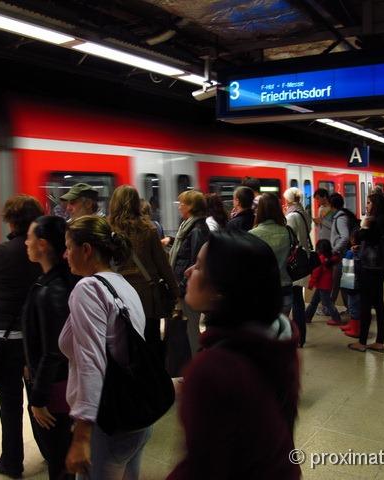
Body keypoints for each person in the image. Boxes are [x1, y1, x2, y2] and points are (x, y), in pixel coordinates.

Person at [167, 231, 301, 480]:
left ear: (220, 290)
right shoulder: (278, 335)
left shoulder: (213, 369)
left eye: (198, 267)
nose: (188, 272)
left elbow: (202, 466)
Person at [59, 215, 151, 479]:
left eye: (68, 247)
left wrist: (81, 436)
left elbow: (91, 361)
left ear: (86, 250)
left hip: (108, 422)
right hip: (136, 415)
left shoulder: (87, 289)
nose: (65, 255)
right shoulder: (122, 284)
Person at [0, 194, 44, 478]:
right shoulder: (44, 253)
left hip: (5, 341)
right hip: (37, 341)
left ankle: (12, 461)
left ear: (9, 220)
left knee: (10, 405)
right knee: (39, 400)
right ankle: (49, 450)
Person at [23, 216, 79, 480]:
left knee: (59, 458)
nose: (26, 243)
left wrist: (38, 398)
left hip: (55, 392)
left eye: (30, 237)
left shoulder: (51, 289)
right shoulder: (59, 281)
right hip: (62, 386)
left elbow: (54, 350)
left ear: (43, 244)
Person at [109, 185, 179, 361]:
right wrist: (175, 292)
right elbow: (163, 265)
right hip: (147, 296)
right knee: (150, 345)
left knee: (123, 345)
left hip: (117, 296)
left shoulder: (106, 230)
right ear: (135, 203)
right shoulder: (148, 230)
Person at [165, 190, 210, 372]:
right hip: (184, 287)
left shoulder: (198, 229)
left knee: (192, 332)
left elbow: (195, 263)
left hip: (189, 288)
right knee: (189, 331)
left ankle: (198, 371)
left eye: (182, 203)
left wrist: (182, 288)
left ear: (191, 206)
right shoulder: (189, 226)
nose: (179, 207)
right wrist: (171, 240)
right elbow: (184, 250)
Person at [348, 193, 384, 353]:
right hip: (380, 264)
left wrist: (364, 225)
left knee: (365, 303)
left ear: (375, 204)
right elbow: (374, 240)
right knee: (379, 303)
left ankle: (362, 342)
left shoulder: (372, 220)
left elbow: (358, 237)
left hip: (370, 266)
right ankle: (379, 342)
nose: (366, 205)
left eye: (368, 202)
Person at [249, 193, 294, 316]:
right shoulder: (287, 232)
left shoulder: (252, 234)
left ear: (260, 210)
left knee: (264, 333)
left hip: (262, 290)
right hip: (285, 287)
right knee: (281, 331)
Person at [284, 187, 312, 347]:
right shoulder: (304, 213)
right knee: (298, 300)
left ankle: (298, 337)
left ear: (288, 200)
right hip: (302, 260)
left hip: (293, 263)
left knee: (295, 301)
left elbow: (288, 237)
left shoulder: (292, 216)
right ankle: (300, 337)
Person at [328, 192, 357, 313]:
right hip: (345, 255)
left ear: (331, 205)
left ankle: (331, 308)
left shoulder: (340, 218)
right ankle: (350, 309)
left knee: (340, 284)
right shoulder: (343, 215)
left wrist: (334, 250)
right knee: (344, 284)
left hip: (342, 256)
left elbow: (344, 237)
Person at [305, 239, 342, 325]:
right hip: (325, 285)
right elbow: (337, 258)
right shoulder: (330, 258)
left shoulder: (320, 259)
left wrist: (310, 284)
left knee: (327, 303)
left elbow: (316, 273)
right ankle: (307, 317)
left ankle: (336, 319)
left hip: (322, 286)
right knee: (314, 302)